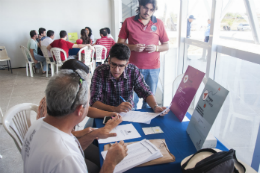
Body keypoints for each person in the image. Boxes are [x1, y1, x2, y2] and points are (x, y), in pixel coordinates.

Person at [22, 68, 128, 173]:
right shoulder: (66, 158)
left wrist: (92, 134)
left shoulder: (37, 125)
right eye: (88, 104)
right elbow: (67, 154)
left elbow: (72, 148)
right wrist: (110, 162)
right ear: (79, 110)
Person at [118, 0, 169, 109]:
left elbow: (166, 46)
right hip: (132, 68)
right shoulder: (128, 21)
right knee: (131, 102)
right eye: (145, 8)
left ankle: (147, 125)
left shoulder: (159, 23)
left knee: (150, 102)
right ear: (140, 6)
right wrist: (133, 47)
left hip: (153, 69)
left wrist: (156, 48)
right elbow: (119, 44)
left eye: (151, 9)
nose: (148, 12)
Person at [90, 43, 168, 115]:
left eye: (121, 66)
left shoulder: (133, 70)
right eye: (113, 64)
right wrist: (115, 109)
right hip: (105, 113)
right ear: (109, 61)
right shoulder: (100, 71)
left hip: (128, 113)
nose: (116, 70)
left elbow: (146, 92)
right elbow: (94, 102)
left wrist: (155, 106)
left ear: (127, 64)